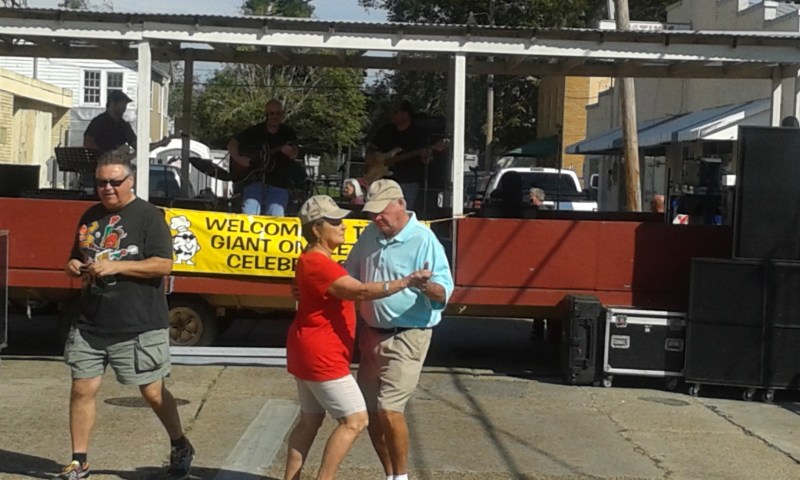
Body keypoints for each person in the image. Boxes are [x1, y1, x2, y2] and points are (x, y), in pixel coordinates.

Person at [58, 148, 193, 480]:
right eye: (101, 182)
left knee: (152, 392)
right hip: (91, 321)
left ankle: (180, 444)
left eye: (115, 182)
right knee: (82, 388)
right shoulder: (90, 216)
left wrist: (117, 266)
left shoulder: (148, 216)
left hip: (139, 323)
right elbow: (76, 256)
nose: (107, 188)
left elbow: (163, 264)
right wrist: (73, 265)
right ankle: (79, 460)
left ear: (130, 181)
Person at [285, 195, 431, 480]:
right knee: (356, 420)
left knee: (309, 420)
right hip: (322, 355)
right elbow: (361, 291)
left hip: (307, 350)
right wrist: (406, 282)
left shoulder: (311, 259)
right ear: (316, 229)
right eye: (335, 222)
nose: (343, 225)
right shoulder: (320, 264)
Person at [344, 179, 454, 480]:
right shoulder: (369, 234)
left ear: (401, 204)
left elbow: (444, 292)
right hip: (372, 335)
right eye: (372, 211)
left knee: (389, 410)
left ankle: (401, 477)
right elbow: (348, 274)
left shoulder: (424, 239)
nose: (376, 217)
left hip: (408, 335)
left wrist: (424, 286)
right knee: (369, 412)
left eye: (382, 210)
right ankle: (391, 474)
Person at [365, 100, 445, 211]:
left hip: (408, 180)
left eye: (395, 112)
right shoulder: (386, 130)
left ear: (405, 114)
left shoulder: (418, 133)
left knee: (405, 209)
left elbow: (426, 159)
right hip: (385, 179)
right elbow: (371, 148)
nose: (392, 115)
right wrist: (371, 159)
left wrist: (426, 155)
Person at [227, 98, 301, 216]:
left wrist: (290, 152)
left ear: (282, 115)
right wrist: (239, 159)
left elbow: (294, 154)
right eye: (272, 113)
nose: (275, 116)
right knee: (249, 216)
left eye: (278, 113)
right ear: (266, 115)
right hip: (254, 181)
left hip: (279, 184)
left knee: (276, 219)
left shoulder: (288, 133)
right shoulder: (254, 131)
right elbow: (232, 144)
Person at [83, 90, 170, 154]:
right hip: (99, 168)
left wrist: (160, 143)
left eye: (125, 105)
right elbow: (87, 143)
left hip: (119, 169)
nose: (124, 108)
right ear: (113, 103)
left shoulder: (124, 126)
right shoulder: (99, 122)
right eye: (122, 104)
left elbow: (139, 147)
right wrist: (108, 155)